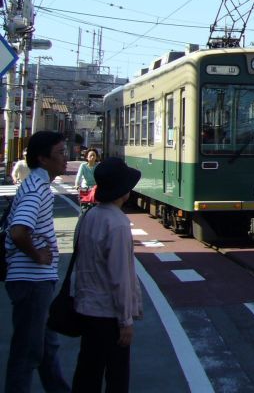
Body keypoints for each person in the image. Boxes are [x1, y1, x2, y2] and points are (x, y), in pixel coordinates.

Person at [3, 131, 71, 393]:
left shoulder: (35, 184)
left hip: (35, 280)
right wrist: (37, 254)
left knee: (45, 347)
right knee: (27, 352)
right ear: (43, 159)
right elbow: (19, 230)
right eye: (61, 153)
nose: (66, 159)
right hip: (31, 280)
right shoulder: (37, 189)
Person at [71, 157, 143, 393]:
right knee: (117, 376)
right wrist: (126, 321)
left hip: (86, 308)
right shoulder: (118, 224)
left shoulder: (89, 216)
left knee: (87, 372)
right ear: (123, 191)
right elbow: (120, 277)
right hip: (109, 314)